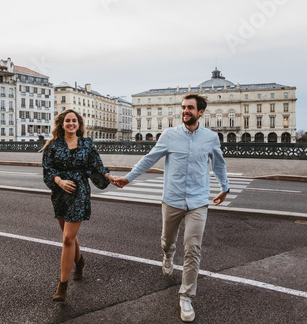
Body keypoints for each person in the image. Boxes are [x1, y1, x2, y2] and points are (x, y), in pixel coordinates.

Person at [113, 94, 230, 322]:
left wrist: (225, 187)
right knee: (168, 242)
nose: (185, 111)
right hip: (172, 200)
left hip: (198, 202)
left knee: (193, 248)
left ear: (201, 112)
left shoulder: (210, 138)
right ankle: (167, 256)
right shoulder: (169, 135)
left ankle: (186, 296)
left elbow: (219, 164)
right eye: (183, 107)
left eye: (190, 108)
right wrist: (128, 178)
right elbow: (149, 159)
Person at [40, 109, 116, 302]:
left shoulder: (86, 144)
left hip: (80, 192)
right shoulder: (53, 146)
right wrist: (59, 182)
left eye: (74, 121)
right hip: (60, 193)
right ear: (62, 123)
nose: (71, 123)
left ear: (79, 124)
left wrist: (109, 176)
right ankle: (79, 261)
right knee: (69, 234)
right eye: (68, 121)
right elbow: (48, 169)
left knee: (67, 239)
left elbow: (96, 166)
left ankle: (62, 285)